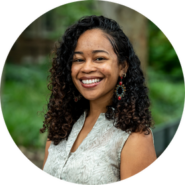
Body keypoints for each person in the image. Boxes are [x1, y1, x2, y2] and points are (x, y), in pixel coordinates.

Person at [40, 15, 158, 184]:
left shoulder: (134, 137)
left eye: (99, 58)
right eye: (78, 60)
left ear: (122, 67)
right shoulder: (61, 127)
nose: (87, 68)